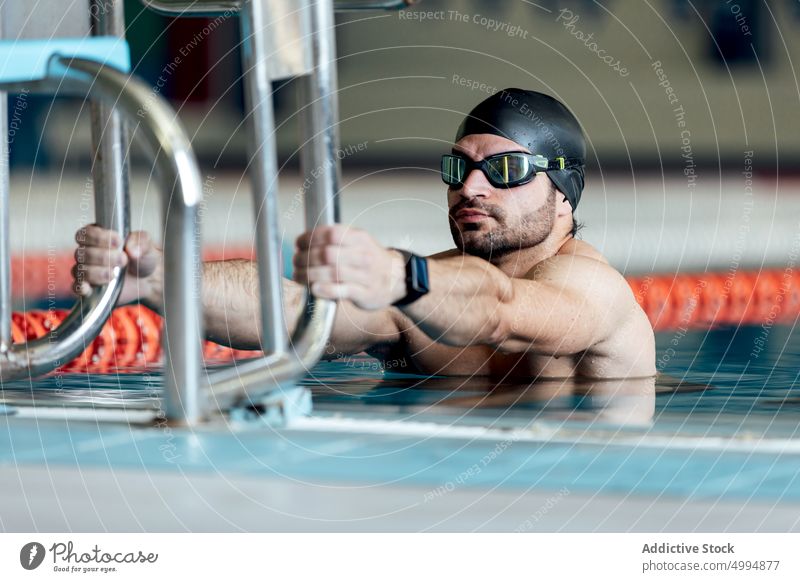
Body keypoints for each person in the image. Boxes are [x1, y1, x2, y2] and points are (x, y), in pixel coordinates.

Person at [73, 88, 656, 379]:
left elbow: (504, 310)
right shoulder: (422, 296)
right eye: (459, 169)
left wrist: (398, 274)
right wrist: (160, 280)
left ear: (563, 195)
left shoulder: (592, 289)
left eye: (503, 170)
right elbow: (294, 312)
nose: (471, 188)